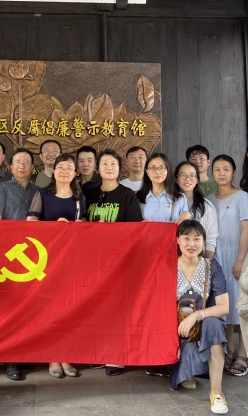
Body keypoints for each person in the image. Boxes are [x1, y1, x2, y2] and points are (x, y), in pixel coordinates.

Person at [85, 149, 143, 376]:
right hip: (93, 262)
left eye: (113, 164)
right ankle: (100, 352)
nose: (109, 168)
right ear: (97, 168)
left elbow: (135, 231)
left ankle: (116, 356)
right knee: (97, 307)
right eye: (105, 164)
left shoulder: (127, 195)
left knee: (118, 309)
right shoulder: (88, 193)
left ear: (120, 169)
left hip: (119, 262)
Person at [27, 153, 86, 378]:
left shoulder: (79, 197)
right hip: (48, 259)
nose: (64, 171)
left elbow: (85, 223)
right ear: (53, 171)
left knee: (69, 308)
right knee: (51, 309)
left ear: (75, 173)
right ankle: (53, 357)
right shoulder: (42, 194)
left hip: (72, 260)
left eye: (69, 168)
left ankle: (66, 355)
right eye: (60, 167)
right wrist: (54, 226)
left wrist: (79, 224)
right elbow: (30, 221)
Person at [170, 220, 230, 415]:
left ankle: (216, 393)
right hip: (178, 332)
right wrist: (170, 340)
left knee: (213, 324)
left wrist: (197, 315)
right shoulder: (168, 266)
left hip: (205, 330)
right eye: (186, 238)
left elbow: (224, 307)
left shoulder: (211, 267)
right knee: (187, 380)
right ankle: (188, 368)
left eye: (197, 238)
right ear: (177, 240)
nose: (191, 243)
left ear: (203, 241)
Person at [0, 147, 39, 380]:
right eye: (17, 162)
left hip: (35, 255)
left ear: (32, 167)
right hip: (10, 255)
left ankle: (25, 351)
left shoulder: (39, 191)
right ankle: (10, 360)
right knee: (11, 308)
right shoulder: (3, 189)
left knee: (30, 306)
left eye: (26, 162)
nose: (21, 166)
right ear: (10, 166)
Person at [207, 155, 248, 377]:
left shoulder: (242, 197)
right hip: (217, 258)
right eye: (217, 169)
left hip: (236, 255)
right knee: (224, 305)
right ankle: (230, 350)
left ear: (234, 172)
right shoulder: (209, 199)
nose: (222, 173)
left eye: (226, 169)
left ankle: (245, 354)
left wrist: (240, 259)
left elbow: (246, 228)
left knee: (241, 306)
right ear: (212, 173)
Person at [174, 161, 219, 259]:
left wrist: (206, 262)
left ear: (197, 179)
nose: (187, 179)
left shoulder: (206, 206)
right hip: (172, 259)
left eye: (192, 175)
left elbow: (211, 239)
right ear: (176, 179)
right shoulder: (168, 204)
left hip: (199, 260)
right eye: (183, 175)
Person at [137, 153, 191, 224]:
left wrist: (188, 215)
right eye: (153, 168)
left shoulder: (180, 198)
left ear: (168, 170)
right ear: (146, 171)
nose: (157, 172)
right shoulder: (138, 198)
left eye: (162, 168)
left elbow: (185, 227)